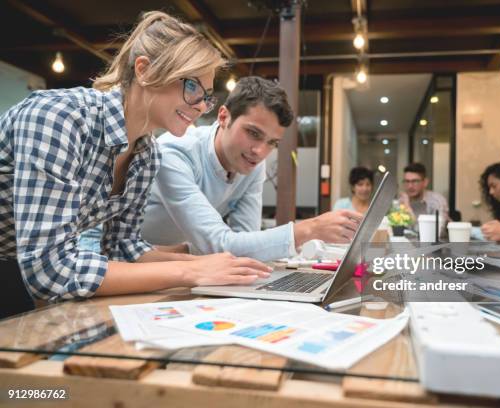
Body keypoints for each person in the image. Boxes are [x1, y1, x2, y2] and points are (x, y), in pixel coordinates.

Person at [0, 12, 271, 319]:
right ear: (144, 70)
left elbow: (123, 248)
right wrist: (190, 273)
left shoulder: (146, 155)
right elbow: (49, 268)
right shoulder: (59, 118)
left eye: (206, 97)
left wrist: (212, 265)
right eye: (192, 87)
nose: (199, 106)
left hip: (13, 265)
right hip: (26, 267)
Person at [140, 77, 362, 261]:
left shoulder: (252, 165)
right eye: (253, 133)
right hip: (138, 267)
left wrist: (191, 249)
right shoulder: (176, 153)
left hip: (186, 264)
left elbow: (244, 241)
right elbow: (221, 243)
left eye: (272, 143)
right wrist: (309, 228)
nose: (260, 151)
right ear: (224, 116)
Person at [398, 163, 449, 227]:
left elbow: (437, 230)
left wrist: (407, 208)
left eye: (415, 181)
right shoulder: (402, 201)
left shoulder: (436, 201)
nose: (410, 186)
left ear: (425, 182)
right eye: (407, 181)